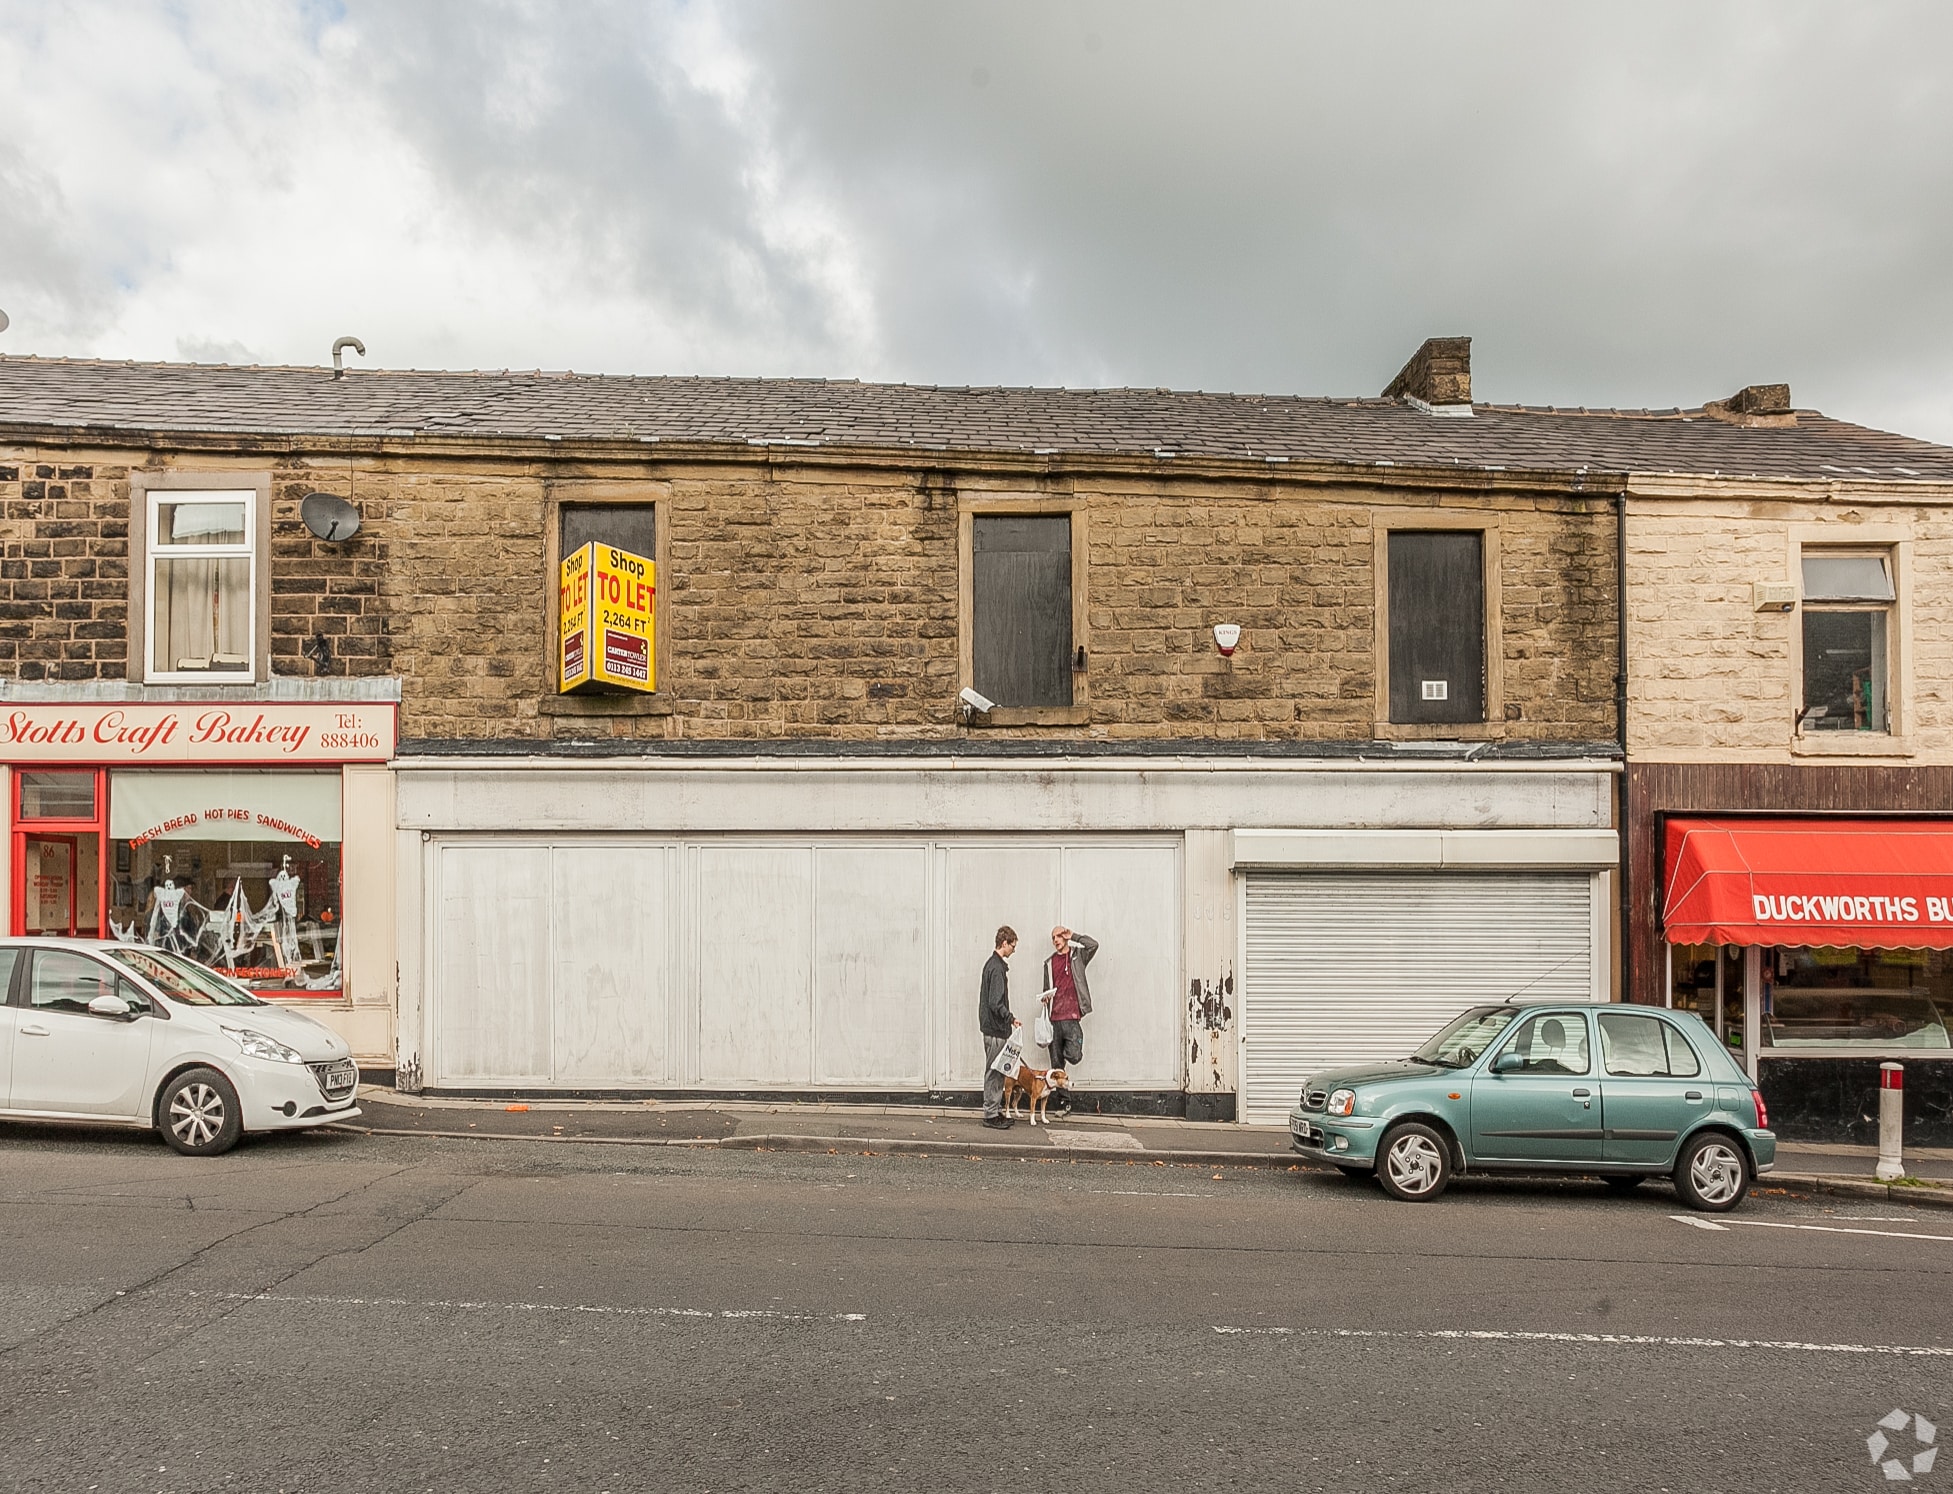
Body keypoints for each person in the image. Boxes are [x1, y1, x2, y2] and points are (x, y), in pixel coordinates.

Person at [1043, 926, 1098, 1114]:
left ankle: (1067, 1054)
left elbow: (1093, 945)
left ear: (1065, 936)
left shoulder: (1078, 956)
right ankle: (1064, 1103)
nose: (1056, 940)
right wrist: (1045, 998)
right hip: (1054, 1019)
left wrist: (1073, 936)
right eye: (1053, 938)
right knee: (1056, 1065)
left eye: (1059, 936)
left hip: (1072, 1017)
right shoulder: (1049, 963)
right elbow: (1046, 989)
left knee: (1074, 1055)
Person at [979, 926, 1021, 1130]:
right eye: (1012, 945)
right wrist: (1011, 1018)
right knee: (995, 1072)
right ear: (1004, 943)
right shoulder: (996, 968)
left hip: (991, 1028)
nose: (1014, 950)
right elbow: (995, 1003)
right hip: (996, 1029)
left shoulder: (992, 965)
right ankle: (991, 1114)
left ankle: (994, 1111)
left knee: (995, 1071)